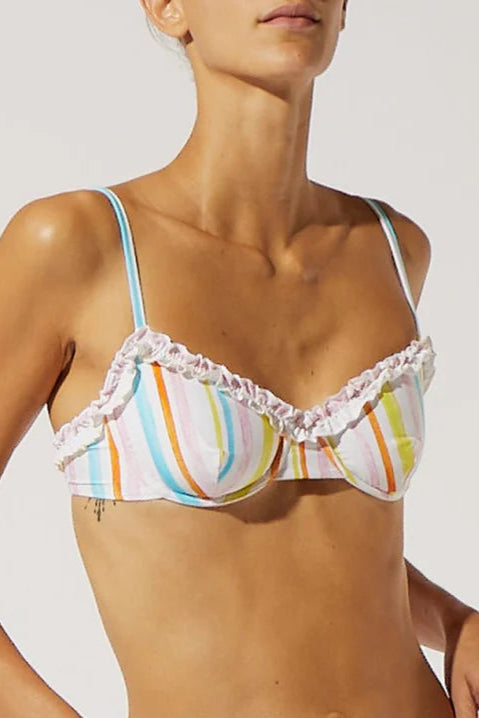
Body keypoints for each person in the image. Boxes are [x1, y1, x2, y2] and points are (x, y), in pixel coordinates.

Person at [1, 1, 478, 717]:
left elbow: (329, 550)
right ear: (169, 8)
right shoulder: (77, 245)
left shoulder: (390, 248)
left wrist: (454, 621)